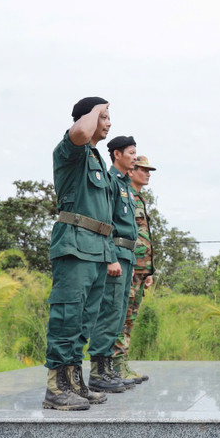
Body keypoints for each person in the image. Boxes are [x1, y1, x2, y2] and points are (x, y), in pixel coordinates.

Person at [43, 97, 115, 411]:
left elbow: (107, 218)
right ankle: (55, 388)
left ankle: (74, 382)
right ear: (88, 117)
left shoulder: (97, 158)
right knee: (66, 315)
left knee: (84, 321)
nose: (109, 122)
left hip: (97, 248)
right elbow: (81, 133)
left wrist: (108, 252)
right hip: (74, 243)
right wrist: (94, 109)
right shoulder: (71, 149)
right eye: (105, 116)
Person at [87, 135, 139, 393]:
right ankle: (98, 372)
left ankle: (108, 368)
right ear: (117, 154)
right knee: (108, 312)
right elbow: (106, 222)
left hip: (128, 256)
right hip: (116, 254)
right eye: (130, 152)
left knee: (118, 315)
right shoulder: (110, 182)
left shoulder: (126, 185)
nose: (134, 157)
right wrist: (111, 257)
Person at [112, 155, 157, 383]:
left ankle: (123, 366)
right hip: (126, 266)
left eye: (149, 170)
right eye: (143, 169)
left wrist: (147, 271)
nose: (148, 173)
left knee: (130, 319)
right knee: (121, 317)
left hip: (140, 270)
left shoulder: (138, 198)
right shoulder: (124, 195)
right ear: (131, 171)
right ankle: (113, 367)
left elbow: (144, 237)